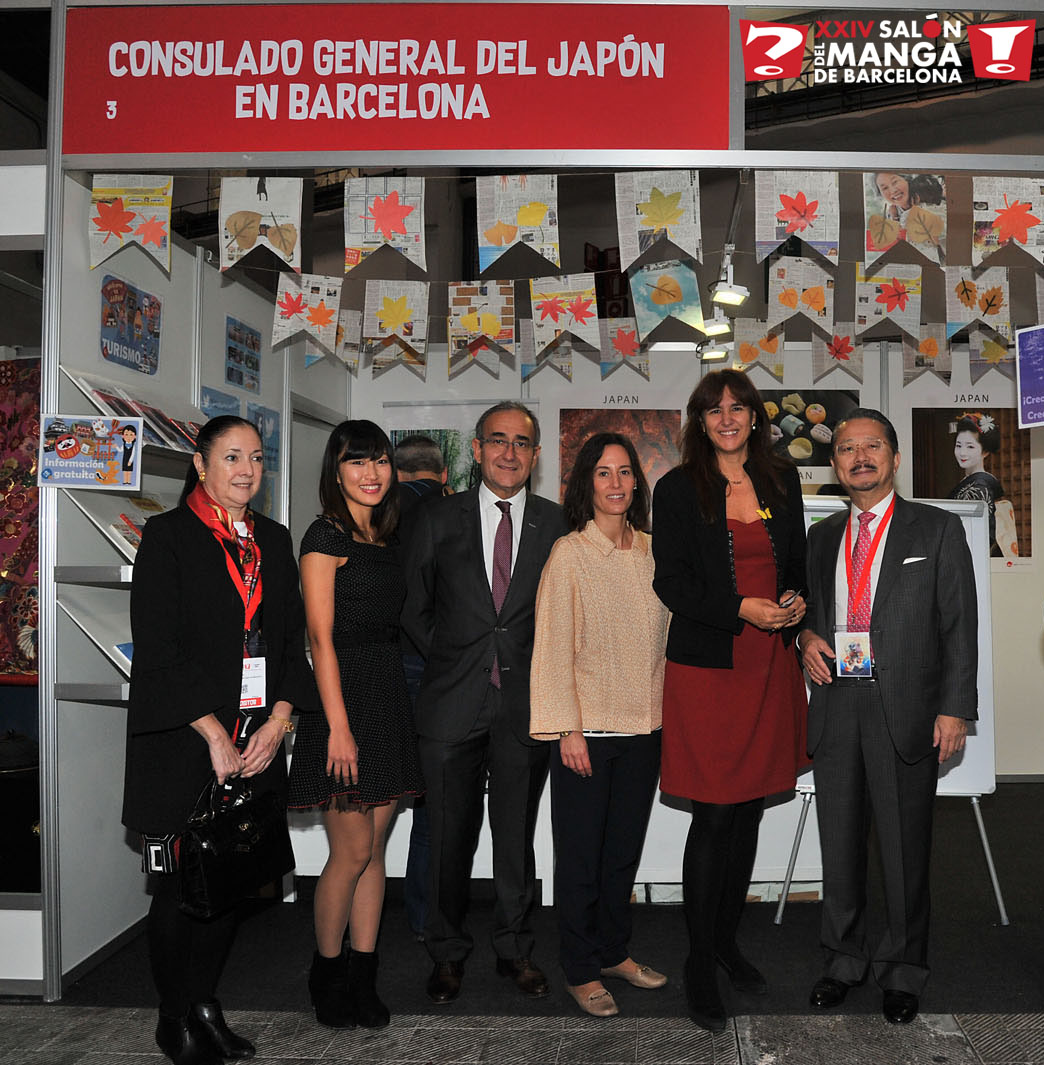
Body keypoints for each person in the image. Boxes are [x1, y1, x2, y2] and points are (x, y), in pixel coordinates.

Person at [123, 415, 318, 1065]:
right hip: (186, 740)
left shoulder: (274, 539)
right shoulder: (169, 536)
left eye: (256, 458)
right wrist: (212, 733)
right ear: (201, 465)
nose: (246, 470)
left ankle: (206, 1004)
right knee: (180, 888)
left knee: (233, 879)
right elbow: (158, 649)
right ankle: (173, 1016)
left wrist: (279, 722)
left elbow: (288, 641)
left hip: (256, 740)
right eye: (232, 457)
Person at [798, 408, 977, 1025]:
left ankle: (902, 969)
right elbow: (811, 613)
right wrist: (806, 639)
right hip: (837, 704)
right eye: (848, 449)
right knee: (839, 845)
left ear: (894, 459)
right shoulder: (822, 536)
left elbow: (959, 625)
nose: (860, 457)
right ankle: (843, 959)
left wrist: (955, 708)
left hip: (906, 709)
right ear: (834, 463)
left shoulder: (937, 529)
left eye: (872, 446)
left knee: (904, 849)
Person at [651, 369, 809, 1032]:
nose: (727, 418)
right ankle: (697, 960)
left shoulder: (782, 479)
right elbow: (671, 582)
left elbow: (796, 564)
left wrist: (795, 603)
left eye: (738, 407)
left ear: (754, 417)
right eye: (714, 409)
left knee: (747, 813)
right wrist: (741, 607)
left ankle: (725, 942)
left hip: (770, 664)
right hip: (711, 668)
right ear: (699, 420)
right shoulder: (676, 488)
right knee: (714, 815)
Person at [401, 400, 568, 1006]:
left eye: (521, 443)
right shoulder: (436, 518)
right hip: (452, 704)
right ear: (476, 450)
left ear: (536, 454)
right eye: (497, 440)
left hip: (526, 705)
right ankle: (446, 953)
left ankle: (515, 949)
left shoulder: (556, 523)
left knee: (516, 837)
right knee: (448, 837)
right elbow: (412, 606)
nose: (509, 453)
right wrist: (454, 660)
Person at [287, 420, 423, 1030]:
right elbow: (319, 640)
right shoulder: (324, 536)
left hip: (386, 696)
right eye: (357, 461)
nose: (371, 473)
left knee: (376, 853)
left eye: (380, 461)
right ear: (336, 471)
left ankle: (364, 974)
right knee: (352, 852)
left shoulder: (385, 535)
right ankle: (327, 970)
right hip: (340, 705)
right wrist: (338, 729)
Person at [530, 432, 669, 1018]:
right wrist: (566, 729)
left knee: (621, 856)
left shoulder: (656, 552)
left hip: (646, 729)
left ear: (637, 482)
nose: (615, 483)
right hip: (587, 735)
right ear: (587, 483)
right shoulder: (570, 553)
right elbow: (551, 647)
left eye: (624, 472)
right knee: (581, 859)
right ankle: (581, 968)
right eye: (603, 473)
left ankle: (613, 952)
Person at [393, 433, 449, 942]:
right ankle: (425, 916)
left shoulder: (377, 513)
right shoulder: (455, 514)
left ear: (396, 471)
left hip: (386, 669)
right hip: (438, 669)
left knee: (377, 798)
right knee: (434, 802)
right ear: (444, 473)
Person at [947, 412, 1018, 559]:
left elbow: (978, 535)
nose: (962, 453)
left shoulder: (979, 487)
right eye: (958, 445)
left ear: (985, 452)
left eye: (970, 447)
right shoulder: (978, 481)